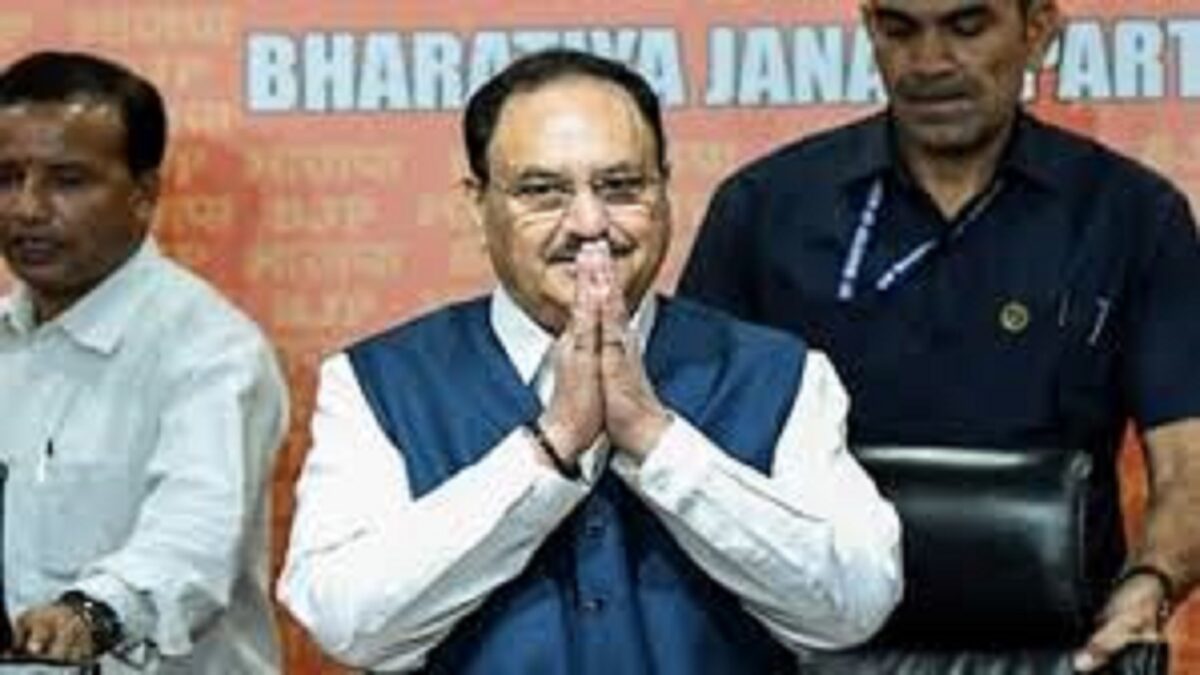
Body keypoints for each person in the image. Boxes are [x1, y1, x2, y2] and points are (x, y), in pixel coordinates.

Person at [278, 48, 902, 674]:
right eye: (542, 192)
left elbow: (854, 607)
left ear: (664, 190)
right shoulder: (377, 385)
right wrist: (551, 448)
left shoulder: (781, 376)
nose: (589, 223)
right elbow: (346, 624)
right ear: (478, 204)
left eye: (621, 187)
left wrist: (656, 443)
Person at [678, 0, 1200, 670]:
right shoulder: (763, 209)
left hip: (1063, 652)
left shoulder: (1132, 215)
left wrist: (1148, 585)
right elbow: (690, 455)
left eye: (966, 26)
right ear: (871, 28)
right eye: (900, 29)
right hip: (803, 647)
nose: (929, 62)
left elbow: (1189, 463)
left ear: (1037, 28)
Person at [0, 51, 288, 672]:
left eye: (67, 180)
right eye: (7, 178)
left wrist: (90, 614)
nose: (27, 208)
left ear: (144, 193)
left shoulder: (212, 352)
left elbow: (194, 537)